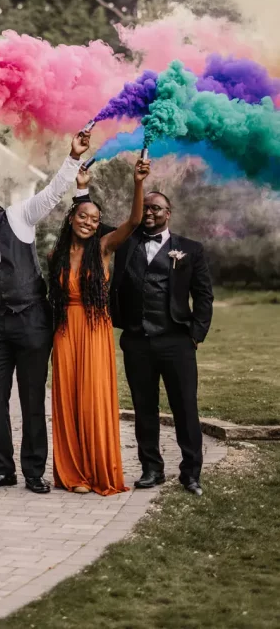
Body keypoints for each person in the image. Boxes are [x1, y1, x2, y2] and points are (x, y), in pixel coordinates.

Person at [0, 131, 90, 494]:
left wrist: (73, 157)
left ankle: (33, 471)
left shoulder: (19, 217)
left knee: (33, 398)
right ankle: (3, 469)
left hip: (32, 320)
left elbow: (52, 194)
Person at [47, 157, 150, 495]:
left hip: (94, 329)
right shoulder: (54, 256)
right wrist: (80, 187)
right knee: (68, 399)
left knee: (92, 398)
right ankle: (73, 472)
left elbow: (135, 221)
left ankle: (96, 468)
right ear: (72, 218)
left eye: (95, 219)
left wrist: (138, 182)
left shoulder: (104, 249)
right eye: (83, 216)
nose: (89, 223)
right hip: (65, 331)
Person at [112, 189, 214, 496]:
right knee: (144, 408)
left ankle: (191, 473)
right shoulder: (125, 244)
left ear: (168, 213)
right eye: (145, 208)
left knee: (185, 407)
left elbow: (204, 295)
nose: (150, 212)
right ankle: (151, 469)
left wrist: (196, 334)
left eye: (156, 208)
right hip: (137, 342)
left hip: (177, 342)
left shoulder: (190, 249)